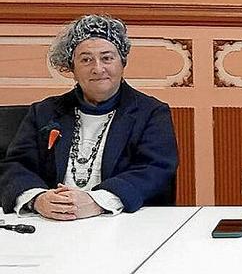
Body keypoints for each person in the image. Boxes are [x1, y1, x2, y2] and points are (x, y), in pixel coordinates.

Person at [0, 15, 178, 218]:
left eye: (107, 58)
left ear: (122, 63)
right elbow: (15, 166)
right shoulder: (43, 112)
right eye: (86, 59)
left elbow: (155, 169)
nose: (98, 68)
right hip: (51, 224)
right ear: (72, 68)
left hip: (123, 224)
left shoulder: (152, 112)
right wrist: (38, 199)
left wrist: (98, 201)